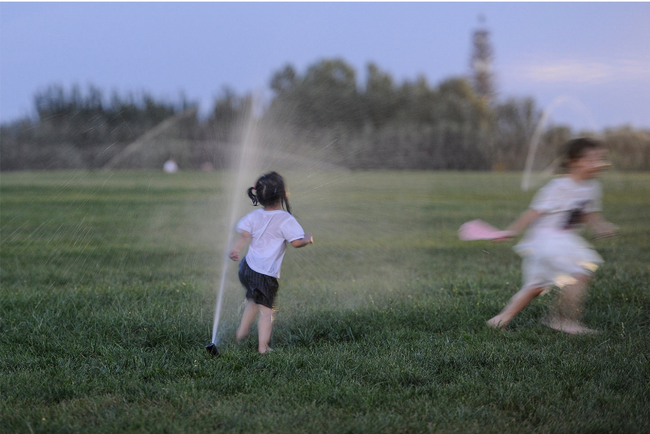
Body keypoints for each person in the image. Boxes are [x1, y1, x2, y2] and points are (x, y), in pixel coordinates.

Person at [487, 137, 617, 334]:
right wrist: (511, 230)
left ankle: (500, 319)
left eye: (600, 159)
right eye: (590, 159)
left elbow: (589, 213)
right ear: (573, 162)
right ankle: (563, 319)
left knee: (536, 286)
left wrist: (600, 226)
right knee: (580, 274)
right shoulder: (558, 187)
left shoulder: (592, 187)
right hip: (547, 240)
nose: (597, 164)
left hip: (566, 240)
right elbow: (532, 213)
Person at [229, 172, 313, 353]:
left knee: (253, 300)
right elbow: (297, 243)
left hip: (247, 267)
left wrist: (236, 249)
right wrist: (308, 238)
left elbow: (244, 234)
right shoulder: (285, 219)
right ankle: (263, 347)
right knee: (266, 312)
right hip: (264, 273)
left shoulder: (255, 215)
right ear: (283, 194)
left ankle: (241, 334)